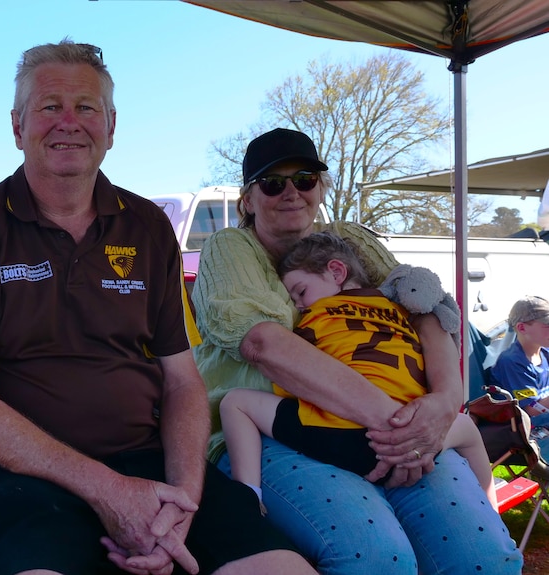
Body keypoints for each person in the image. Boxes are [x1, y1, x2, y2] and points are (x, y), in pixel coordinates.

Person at [0, 41, 315, 575]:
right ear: (17, 127)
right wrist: (112, 493)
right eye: (48, 106)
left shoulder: (148, 227)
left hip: (150, 462)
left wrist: (181, 500)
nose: (68, 122)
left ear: (110, 125)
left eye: (85, 107)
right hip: (26, 478)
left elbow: (182, 383)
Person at [192, 127, 522, 574]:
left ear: (321, 187)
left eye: (304, 179)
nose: (291, 192)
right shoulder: (231, 247)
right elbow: (262, 342)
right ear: (248, 200)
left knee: (485, 560)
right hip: (277, 432)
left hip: (404, 429)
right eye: (272, 183)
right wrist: (399, 429)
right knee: (374, 557)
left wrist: (444, 403)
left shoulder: (348, 240)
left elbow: (425, 306)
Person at [219, 231, 498, 511]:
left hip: (338, 435)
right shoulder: (402, 311)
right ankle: (492, 509)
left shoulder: (318, 314)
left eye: (301, 292)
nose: (300, 305)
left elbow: (294, 368)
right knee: (466, 428)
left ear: (337, 271)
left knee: (236, 403)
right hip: (418, 436)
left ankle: (249, 495)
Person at [491, 296, 549, 433]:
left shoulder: (545, 351)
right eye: (547, 326)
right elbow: (531, 410)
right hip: (528, 430)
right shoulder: (512, 363)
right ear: (522, 328)